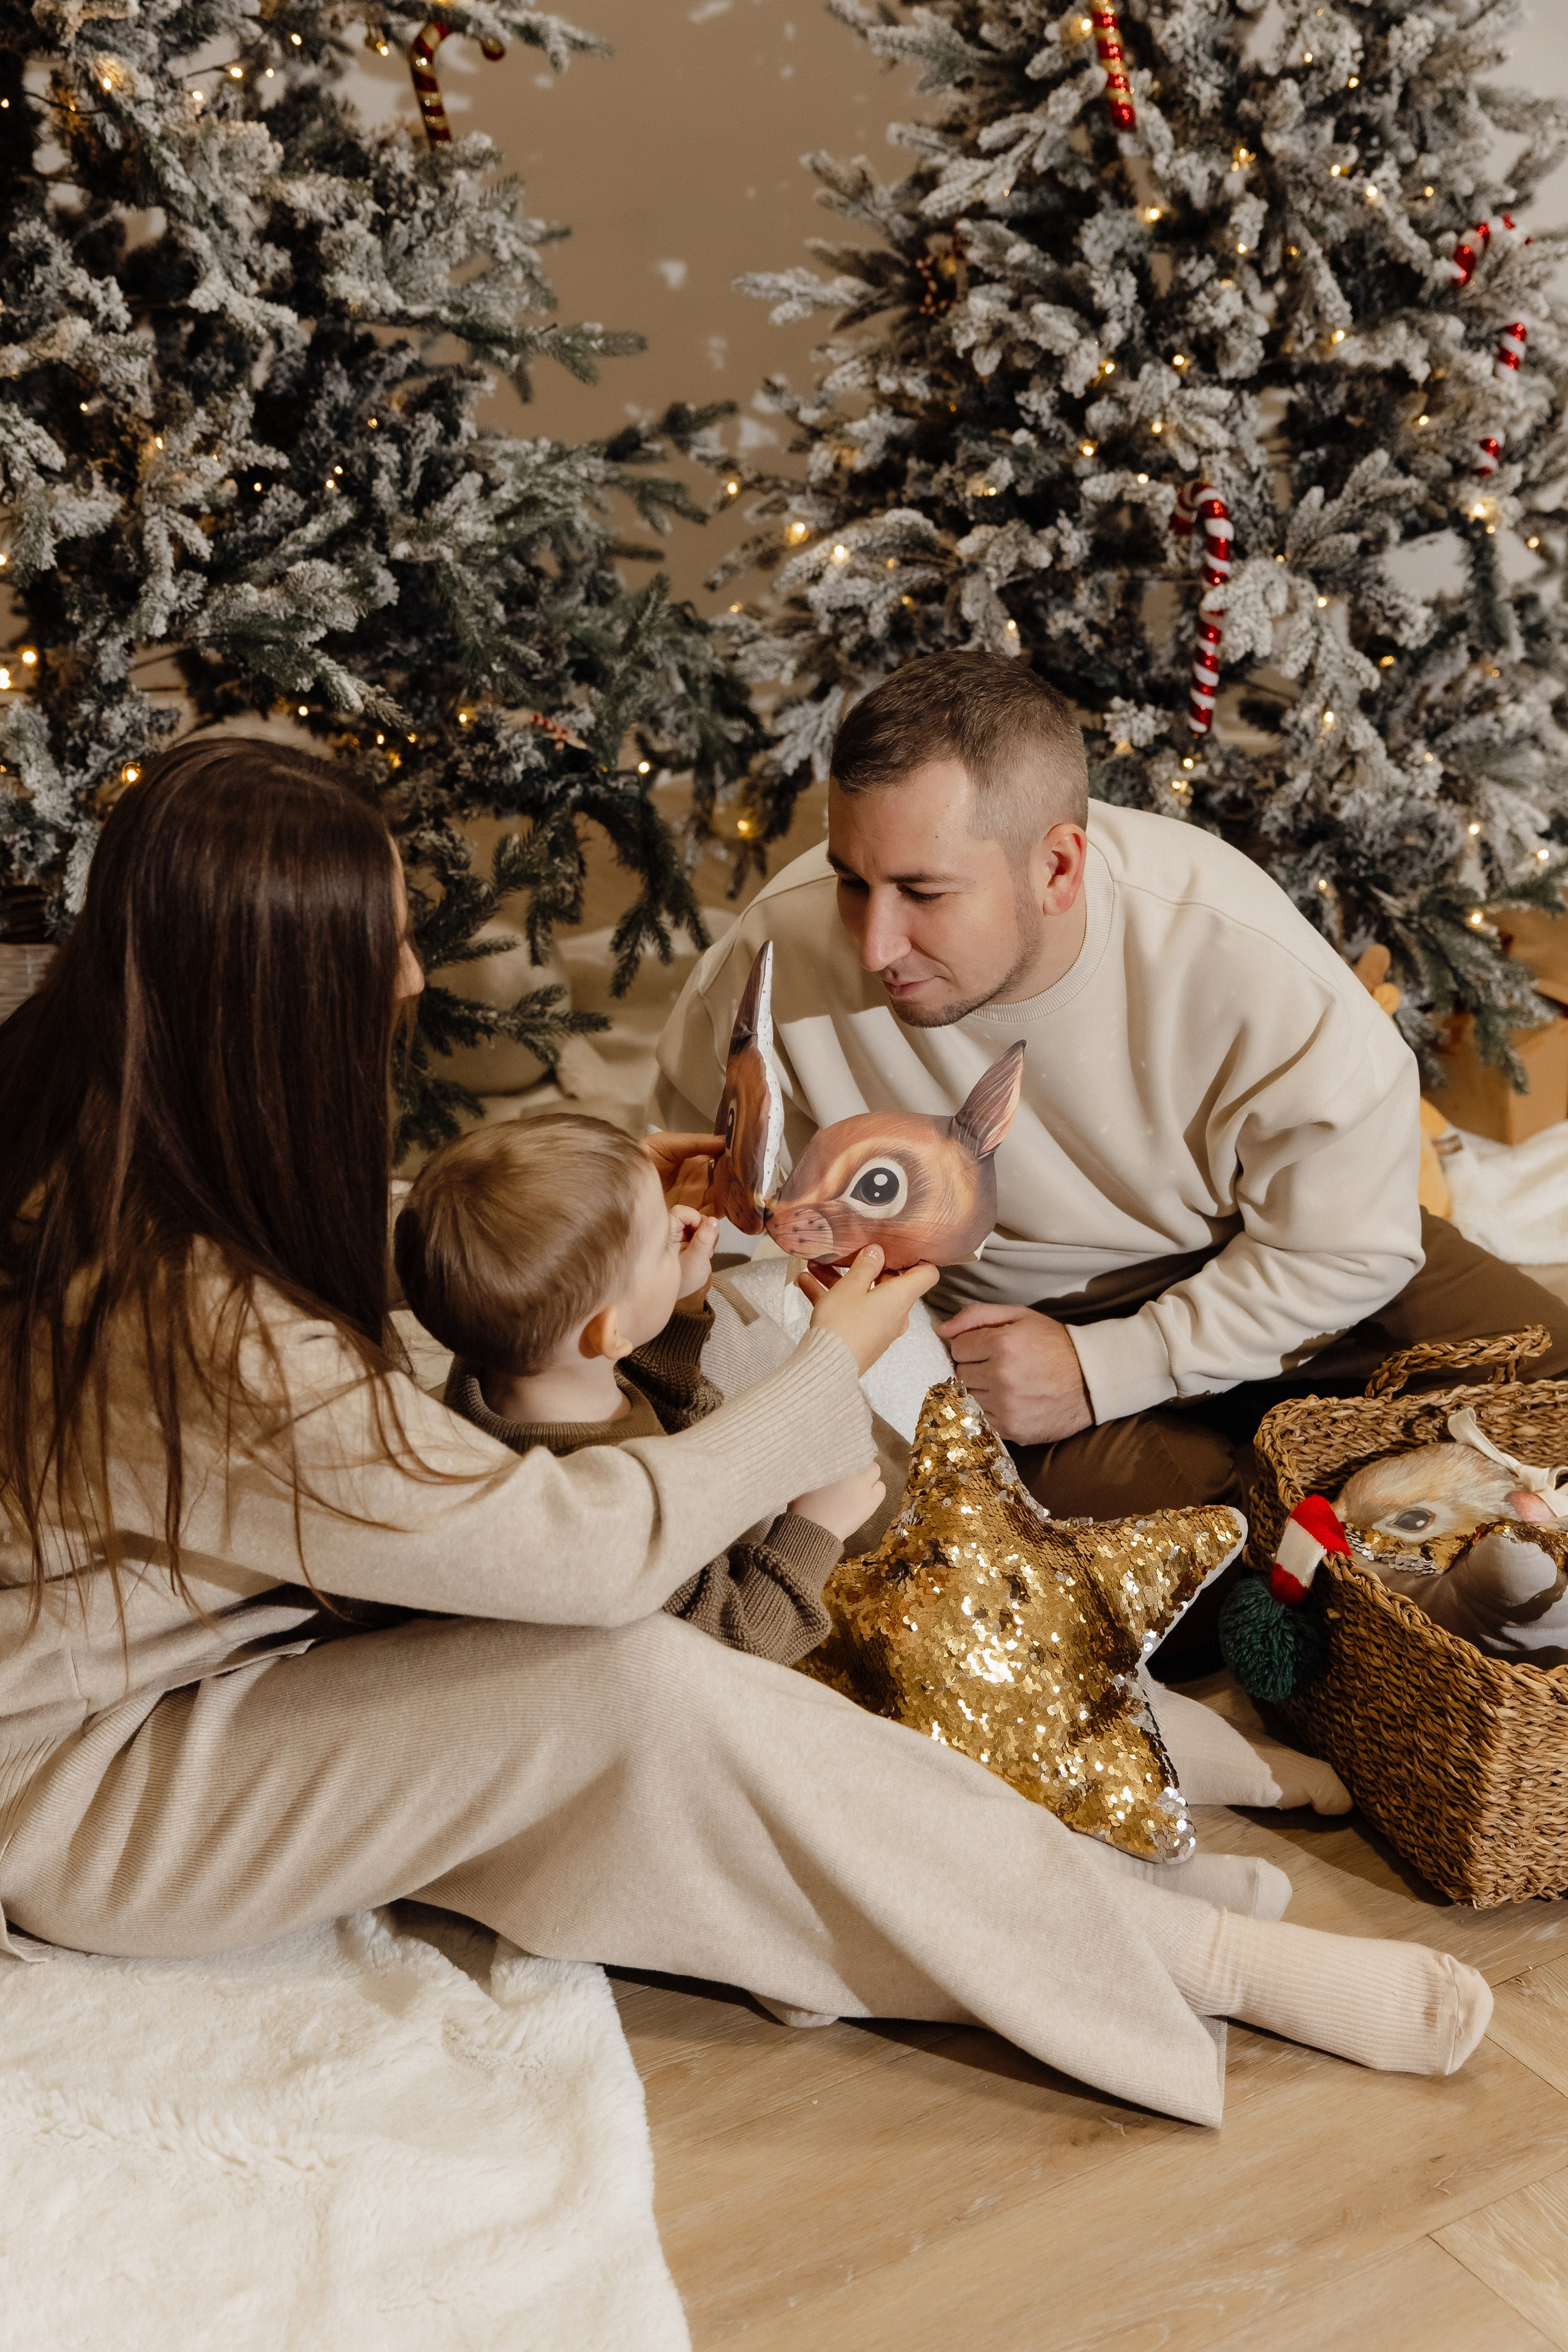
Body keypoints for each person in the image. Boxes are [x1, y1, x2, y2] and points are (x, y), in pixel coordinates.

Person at [0, 736, 1493, 2126]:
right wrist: (823, 1376)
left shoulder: (104, 1101)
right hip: (113, 1789)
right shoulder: (182, 1322)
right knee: (640, 1684)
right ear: (275, 1002)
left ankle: (1052, 1874)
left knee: (685, 1756)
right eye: (375, 946)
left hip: (218, 1675)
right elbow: (579, 1551)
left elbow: (337, 1329)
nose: (406, 972)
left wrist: (583, 1226)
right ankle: (1196, 1957)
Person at [654, 651, 1568, 1672]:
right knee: (1146, 1585)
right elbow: (702, 1174)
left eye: (923, 892)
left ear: (1057, 867)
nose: (874, 943)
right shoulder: (777, 954)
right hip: (1003, 1334)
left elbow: (1351, 1247)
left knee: (1549, 1377)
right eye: (852, 882)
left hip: (1262, 1262)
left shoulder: (1236, 957)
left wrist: (1110, 1370)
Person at [394, 1113, 883, 1664]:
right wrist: (813, 1527)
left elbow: (645, 1395)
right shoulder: (603, 1530)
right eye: (658, 1241)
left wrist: (678, 1302)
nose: (681, 1216)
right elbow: (734, 1642)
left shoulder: (504, 1369)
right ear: (610, 1331)